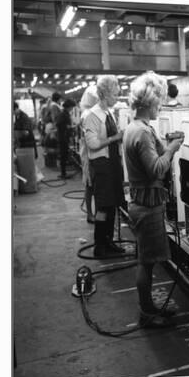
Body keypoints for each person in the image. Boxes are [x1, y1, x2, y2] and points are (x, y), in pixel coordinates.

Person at [123, 71, 184, 328]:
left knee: (146, 261)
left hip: (142, 202)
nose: (161, 105)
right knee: (146, 263)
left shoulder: (136, 128)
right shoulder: (143, 133)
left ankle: (149, 308)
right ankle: (146, 314)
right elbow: (157, 169)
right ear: (150, 102)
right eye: (159, 100)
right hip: (146, 207)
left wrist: (165, 143)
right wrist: (172, 149)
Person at [83, 75, 125, 257]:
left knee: (112, 205)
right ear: (105, 94)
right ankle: (100, 245)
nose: (117, 97)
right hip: (101, 167)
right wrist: (116, 137)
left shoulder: (108, 113)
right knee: (103, 208)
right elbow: (92, 144)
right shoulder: (92, 116)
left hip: (112, 165)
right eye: (115, 94)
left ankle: (108, 241)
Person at [79, 85, 99, 223]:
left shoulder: (92, 112)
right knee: (90, 185)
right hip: (89, 153)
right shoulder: (87, 114)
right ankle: (90, 214)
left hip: (92, 152)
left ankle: (95, 213)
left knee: (94, 185)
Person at [55, 98, 76, 179]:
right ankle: (63, 173)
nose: (72, 109)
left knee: (64, 155)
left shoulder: (65, 113)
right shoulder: (63, 114)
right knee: (63, 155)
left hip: (64, 137)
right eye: (72, 107)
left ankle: (63, 173)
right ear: (69, 106)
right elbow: (59, 124)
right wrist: (69, 127)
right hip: (63, 138)